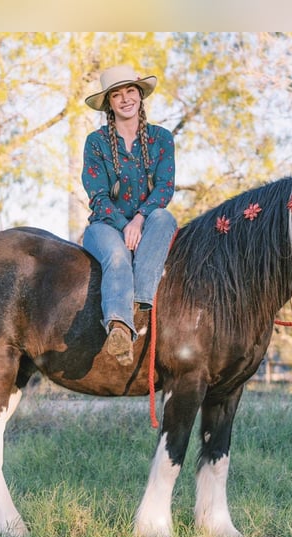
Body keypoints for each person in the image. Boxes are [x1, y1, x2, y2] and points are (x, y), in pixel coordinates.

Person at [81, 65, 177, 366]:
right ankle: (119, 328)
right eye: (117, 94)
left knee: (164, 218)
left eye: (130, 91)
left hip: (147, 224)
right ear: (109, 103)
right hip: (105, 224)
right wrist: (124, 226)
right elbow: (97, 195)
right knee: (119, 257)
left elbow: (164, 187)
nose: (125, 99)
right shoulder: (95, 142)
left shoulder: (161, 138)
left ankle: (137, 304)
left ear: (140, 95)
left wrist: (138, 220)